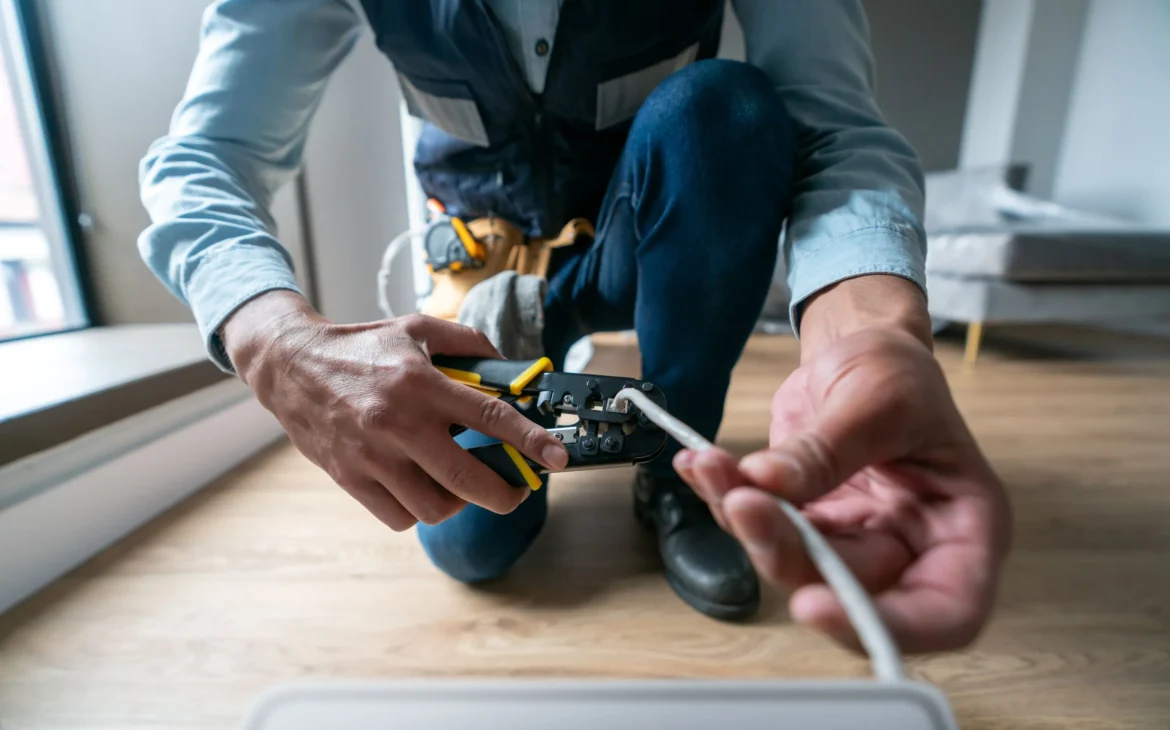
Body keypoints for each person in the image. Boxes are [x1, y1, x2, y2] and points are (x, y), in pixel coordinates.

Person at [139, 0, 1011, 649]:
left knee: (727, 110)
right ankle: (561, 426)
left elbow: (835, 126)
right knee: (476, 542)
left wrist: (871, 334)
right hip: (482, 286)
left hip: (639, 242)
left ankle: (679, 467)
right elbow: (206, 154)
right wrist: (275, 342)